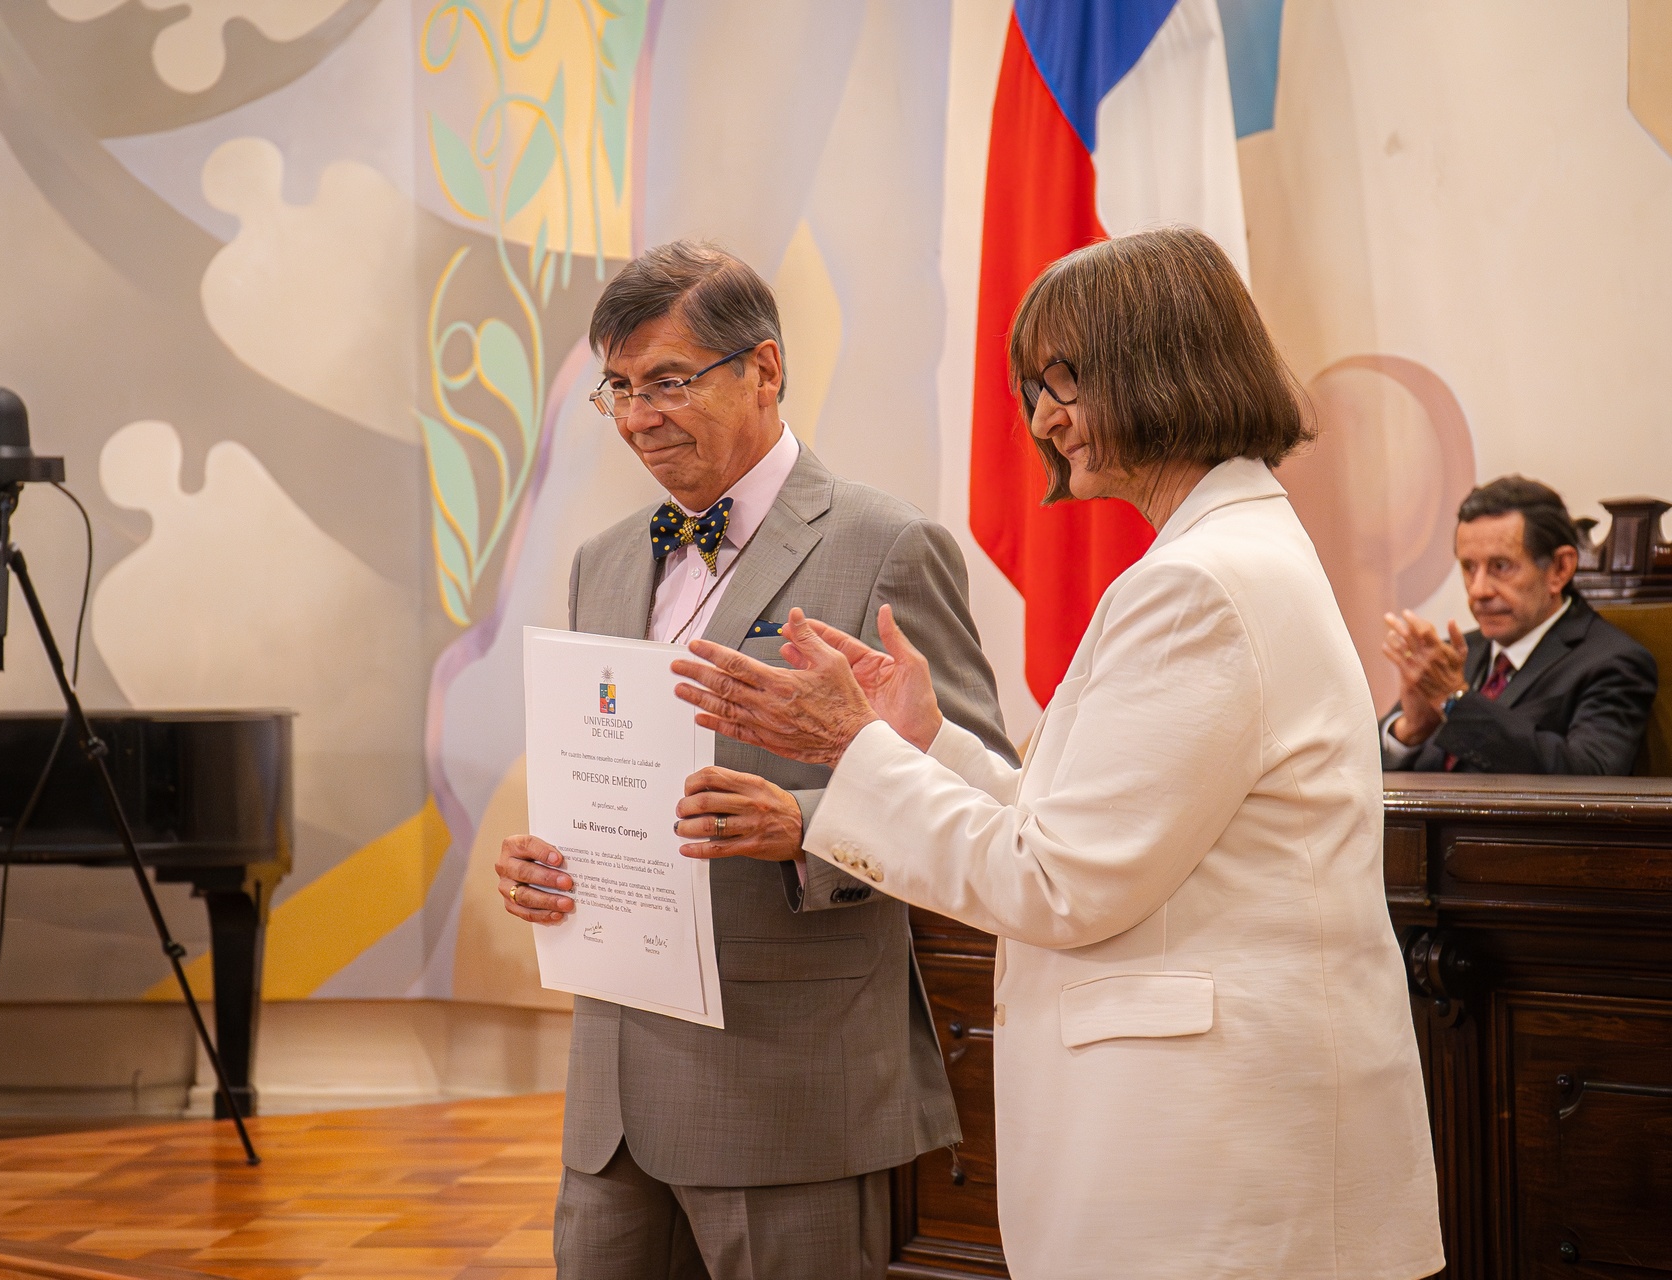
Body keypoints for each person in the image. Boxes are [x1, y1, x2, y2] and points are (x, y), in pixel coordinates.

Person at [671, 227, 1444, 1279]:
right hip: (1217, 1132)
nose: (1044, 418)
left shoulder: (1197, 585)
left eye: (1066, 380)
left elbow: (1058, 882)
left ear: (1165, 364)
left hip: (1210, 1154)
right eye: (1036, 386)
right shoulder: (1227, 554)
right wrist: (924, 737)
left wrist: (848, 748)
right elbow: (1079, 831)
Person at [495, 241, 1015, 1279]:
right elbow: (606, 776)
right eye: (622, 389)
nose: (641, 415)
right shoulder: (605, 560)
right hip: (613, 1101)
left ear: (765, 370)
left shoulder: (887, 544)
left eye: (671, 382)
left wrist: (807, 827)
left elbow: (976, 789)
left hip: (789, 1090)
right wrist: (546, 863)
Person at [1378, 476, 1656, 773]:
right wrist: (1409, 732)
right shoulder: (1453, 657)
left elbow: (1588, 777)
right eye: (1469, 568)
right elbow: (1364, 774)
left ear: (1560, 569)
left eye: (1501, 566)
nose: (1478, 590)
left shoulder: (1613, 662)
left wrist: (1455, 700)